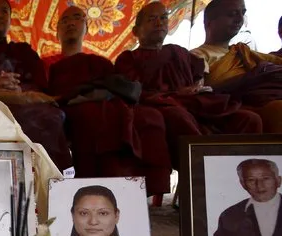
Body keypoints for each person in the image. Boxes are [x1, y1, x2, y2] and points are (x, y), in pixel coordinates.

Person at [115, 1, 262, 171]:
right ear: (136, 31)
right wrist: (175, 95)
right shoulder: (129, 58)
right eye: (152, 19)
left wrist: (196, 86)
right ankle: (207, 169)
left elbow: (198, 72)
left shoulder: (178, 52)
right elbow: (133, 93)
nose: (159, 23)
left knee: (249, 119)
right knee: (177, 115)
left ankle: (240, 172)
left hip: (196, 106)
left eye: (163, 18)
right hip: (164, 107)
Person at [48, 6, 172, 197]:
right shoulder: (45, 63)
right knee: (92, 115)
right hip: (68, 108)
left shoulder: (101, 62)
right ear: (56, 31)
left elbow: (116, 87)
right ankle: (93, 188)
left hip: (106, 104)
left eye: (77, 18)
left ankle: (135, 188)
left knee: (150, 116)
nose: (71, 23)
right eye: (64, 21)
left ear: (86, 27)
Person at [0, 0, 74, 172]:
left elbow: (41, 86)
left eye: (4, 12)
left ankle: (49, 179)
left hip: (26, 107)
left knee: (52, 116)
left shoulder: (25, 51)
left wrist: (21, 91)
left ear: (10, 19)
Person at [190, 0, 282, 133]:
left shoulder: (243, 51)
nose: (239, 19)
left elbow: (276, 64)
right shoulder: (198, 55)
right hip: (232, 108)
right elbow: (202, 92)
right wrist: (247, 80)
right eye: (232, 14)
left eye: (242, 13)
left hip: (262, 99)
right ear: (209, 21)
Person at [210, 159, 282, 236]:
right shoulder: (230, 215)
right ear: (243, 184)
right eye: (251, 180)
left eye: (266, 178)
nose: (260, 186)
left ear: (278, 181)